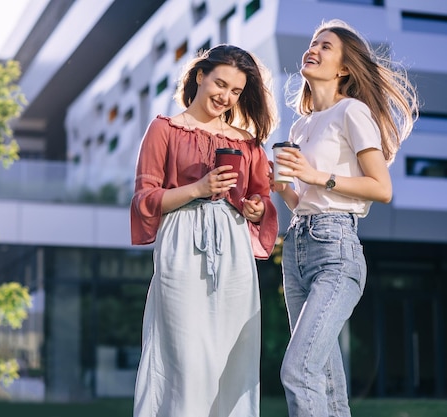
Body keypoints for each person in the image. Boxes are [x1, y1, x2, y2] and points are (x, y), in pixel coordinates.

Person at [271, 20, 418, 417]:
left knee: (298, 370)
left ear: (344, 68)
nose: (312, 49)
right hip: (297, 249)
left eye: (325, 46)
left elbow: (381, 188)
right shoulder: (301, 125)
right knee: (324, 381)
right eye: (312, 42)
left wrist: (316, 175)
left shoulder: (351, 111)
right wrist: (281, 184)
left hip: (335, 247)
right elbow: (302, 200)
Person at [130, 44, 279, 417]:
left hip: (232, 249)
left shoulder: (247, 143)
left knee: (233, 353)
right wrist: (198, 189)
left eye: (236, 92)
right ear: (200, 75)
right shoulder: (164, 129)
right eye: (220, 84)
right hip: (182, 245)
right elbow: (145, 200)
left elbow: (261, 200)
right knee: (183, 354)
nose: (226, 97)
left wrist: (255, 209)